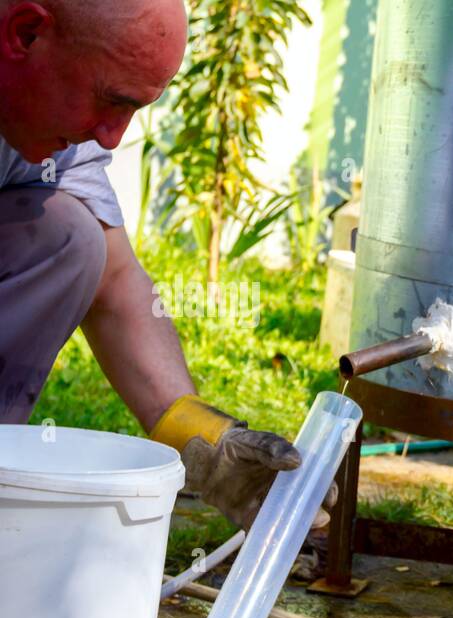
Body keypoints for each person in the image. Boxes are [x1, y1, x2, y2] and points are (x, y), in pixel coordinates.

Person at [0, 0, 313, 531]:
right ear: (26, 33)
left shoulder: (62, 133)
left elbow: (117, 281)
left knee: (71, 240)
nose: (112, 136)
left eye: (133, 111)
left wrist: (201, 441)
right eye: (110, 101)